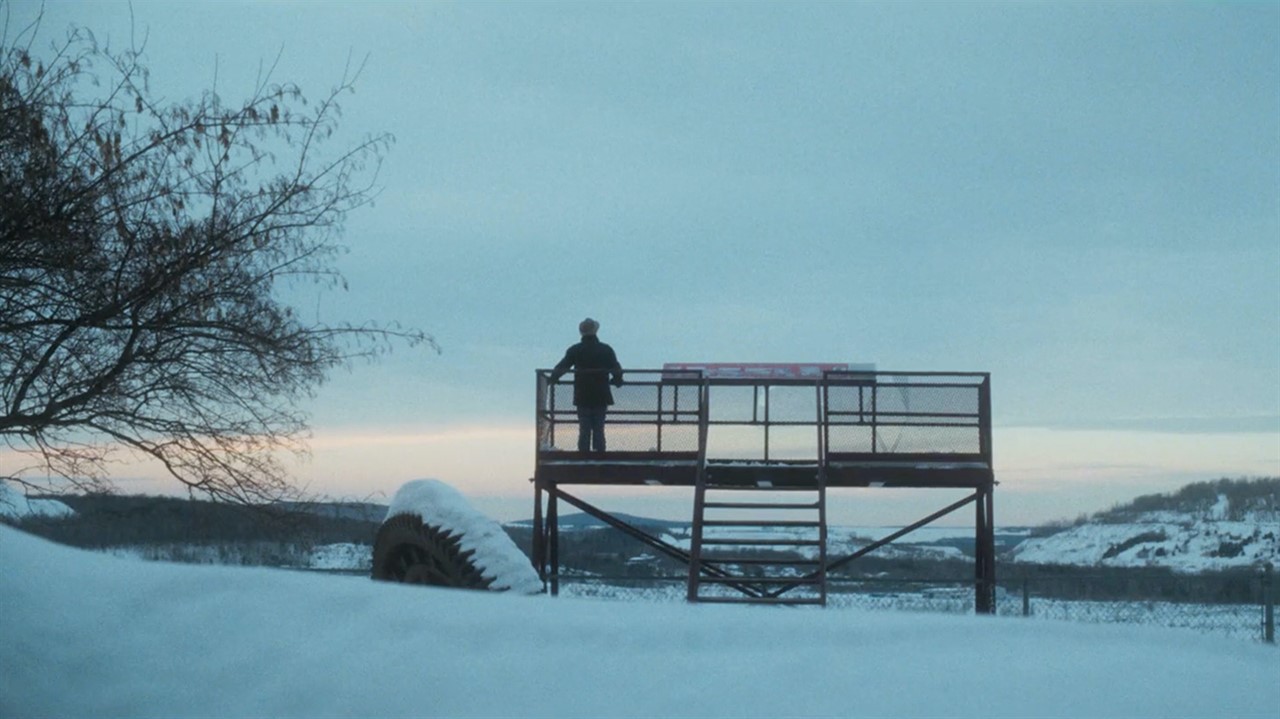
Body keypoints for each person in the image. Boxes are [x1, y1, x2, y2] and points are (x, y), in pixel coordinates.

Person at [549, 318, 623, 452]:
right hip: (601, 394)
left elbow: (563, 366)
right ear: (595, 331)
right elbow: (615, 368)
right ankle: (599, 454)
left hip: (582, 394)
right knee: (599, 428)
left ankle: (583, 455)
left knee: (584, 428)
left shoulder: (575, 350)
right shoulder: (605, 349)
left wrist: (553, 378)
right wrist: (617, 380)